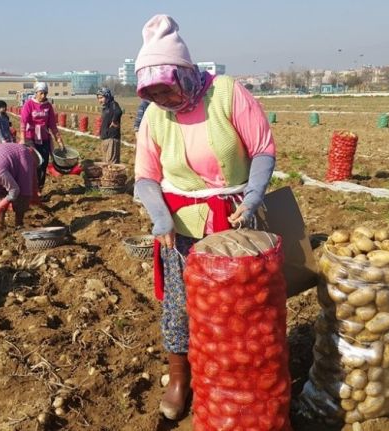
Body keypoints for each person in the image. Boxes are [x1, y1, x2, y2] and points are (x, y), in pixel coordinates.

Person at [133, 14, 276, 420]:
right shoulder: (154, 117)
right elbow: (146, 177)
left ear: (186, 73)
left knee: (241, 304)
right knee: (180, 305)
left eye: (168, 89)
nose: (164, 99)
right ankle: (181, 379)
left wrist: (251, 198)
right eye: (154, 93)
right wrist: (160, 218)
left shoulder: (228, 94)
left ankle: (239, 377)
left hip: (235, 221)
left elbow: (263, 148)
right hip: (181, 227)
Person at [20, 82, 65, 190]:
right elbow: (23, 123)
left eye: (45, 93)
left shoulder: (48, 106)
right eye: (41, 93)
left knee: (43, 163)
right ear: (36, 93)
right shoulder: (29, 104)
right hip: (30, 137)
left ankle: (39, 188)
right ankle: (30, 187)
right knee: (34, 162)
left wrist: (59, 140)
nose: (43, 96)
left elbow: (53, 125)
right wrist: (22, 139)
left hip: (44, 138)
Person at [96, 87, 123, 164]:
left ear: (107, 96)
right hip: (105, 138)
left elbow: (118, 112)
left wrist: (114, 121)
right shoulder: (106, 107)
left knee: (111, 164)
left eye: (101, 98)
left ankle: (111, 176)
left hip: (112, 138)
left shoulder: (113, 104)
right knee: (106, 162)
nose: (99, 100)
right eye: (98, 98)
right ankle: (108, 175)